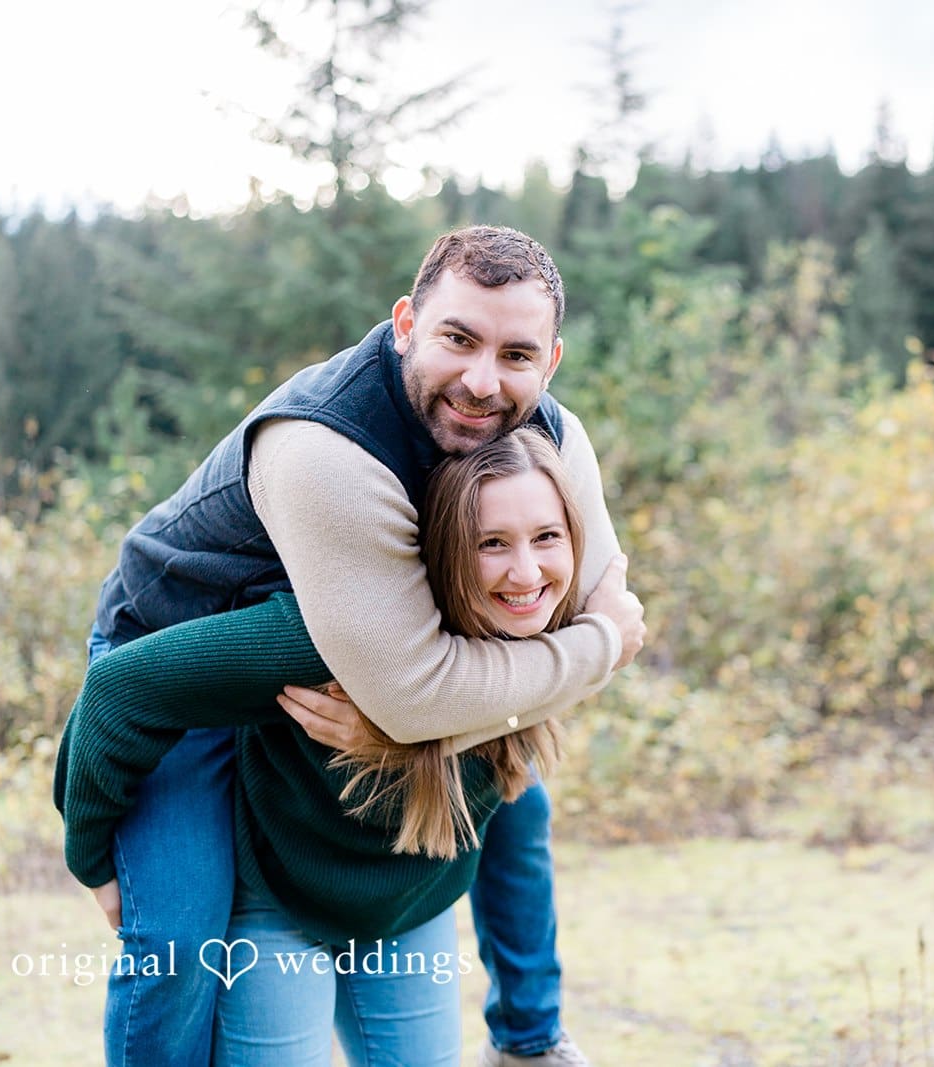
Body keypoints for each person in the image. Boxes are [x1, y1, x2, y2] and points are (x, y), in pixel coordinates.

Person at [73, 225, 643, 1066]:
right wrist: (599, 650)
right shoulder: (324, 449)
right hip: (183, 662)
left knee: (515, 778)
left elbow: (599, 584)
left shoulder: (546, 435)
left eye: (516, 354)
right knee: (179, 936)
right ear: (407, 323)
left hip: (333, 647)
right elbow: (427, 691)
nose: (482, 381)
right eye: (458, 338)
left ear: (550, 360)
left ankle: (531, 1035)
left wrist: (590, 631)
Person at [58, 429, 599, 1064]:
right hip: (281, 895)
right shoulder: (337, 638)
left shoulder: (565, 631)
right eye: (492, 543)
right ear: (449, 549)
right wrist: (92, 860)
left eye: (546, 537)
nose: (527, 571)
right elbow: (119, 687)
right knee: (174, 940)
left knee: (524, 808)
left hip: (407, 899)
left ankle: (530, 1039)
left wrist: (399, 737)